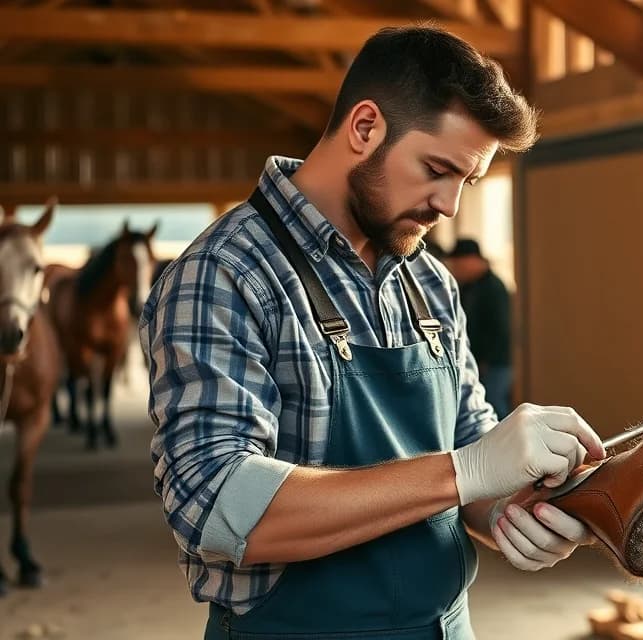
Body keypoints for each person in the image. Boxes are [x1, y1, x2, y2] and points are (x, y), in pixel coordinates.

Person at [140, 27, 605, 640]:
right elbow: (216, 507)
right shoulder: (225, 273)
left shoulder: (430, 282)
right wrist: (465, 471)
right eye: (437, 169)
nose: (449, 206)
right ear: (365, 128)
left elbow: (470, 454)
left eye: (466, 181)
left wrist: (511, 512)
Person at [446, 238, 513, 416]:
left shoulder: (493, 287)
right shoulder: (469, 287)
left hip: (493, 364)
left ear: (471, 260)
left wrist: (486, 360)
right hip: (479, 362)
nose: (456, 269)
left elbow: (500, 328)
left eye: (458, 264)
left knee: (494, 407)